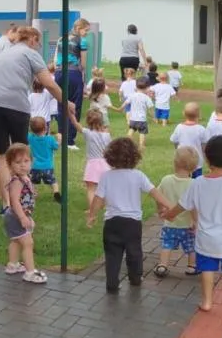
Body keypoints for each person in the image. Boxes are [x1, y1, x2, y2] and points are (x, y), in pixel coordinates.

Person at [163, 136, 222, 312]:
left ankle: (207, 301)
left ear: (206, 158)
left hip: (205, 238)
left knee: (207, 269)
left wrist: (169, 215)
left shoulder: (198, 183)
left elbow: (182, 205)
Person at [0, 26, 73, 213]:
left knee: (1, 155)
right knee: (20, 154)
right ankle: (21, 199)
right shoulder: (30, 54)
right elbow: (48, 83)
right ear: (32, 38)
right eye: (38, 42)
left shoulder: (5, 52)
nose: (38, 46)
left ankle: (6, 204)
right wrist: (66, 102)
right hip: (15, 105)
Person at [87, 138, 171, 293]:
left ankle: (112, 283)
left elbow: (98, 199)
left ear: (109, 157)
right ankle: (135, 278)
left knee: (112, 254)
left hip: (112, 222)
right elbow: (154, 192)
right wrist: (169, 205)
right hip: (132, 223)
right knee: (134, 252)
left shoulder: (106, 176)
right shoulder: (138, 175)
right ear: (135, 157)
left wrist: (92, 215)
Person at [2, 143, 47, 284]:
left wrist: (32, 193)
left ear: (31, 162)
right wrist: (22, 217)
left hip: (17, 215)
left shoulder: (25, 178)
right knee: (28, 243)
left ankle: (13, 264)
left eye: (26, 161)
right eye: (18, 162)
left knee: (16, 240)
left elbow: (25, 195)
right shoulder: (17, 181)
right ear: (10, 165)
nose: (23, 165)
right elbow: (14, 201)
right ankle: (30, 272)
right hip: (16, 216)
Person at [153, 146, 200, 278]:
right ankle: (192, 266)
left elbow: (157, 195)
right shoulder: (194, 184)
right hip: (188, 224)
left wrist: (160, 209)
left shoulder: (166, 180)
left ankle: (163, 265)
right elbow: (194, 206)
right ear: (195, 167)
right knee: (191, 246)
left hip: (170, 223)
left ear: (174, 163)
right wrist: (196, 221)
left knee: (166, 244)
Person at [53, 18, 91, 150]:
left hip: (58, 73)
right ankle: (70, 140)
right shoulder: (82, 41)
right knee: (75, 105)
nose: (86, 33)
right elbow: (84, 63)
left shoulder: (60, 39)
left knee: (61, 104)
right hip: (73, 73)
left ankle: (61, 137)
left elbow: (55, 58)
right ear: (79, 28)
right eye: (86, 30)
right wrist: (83, 75)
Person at [64, 108, 112, 207]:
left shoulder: (88, 133)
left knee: (91, 189)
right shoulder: (107, 135)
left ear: (88, 121)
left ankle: (92, 210)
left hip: (93, 165)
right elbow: (110, 149)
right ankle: (104, 205)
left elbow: (75, 123)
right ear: (102, 121)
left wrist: (70, 113)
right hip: (106, 164)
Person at [170, 102, 209, 178]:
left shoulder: (179, 127)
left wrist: (177, 150)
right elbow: (204, 145)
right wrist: (205, 157)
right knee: (196, 181)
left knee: (183, 180)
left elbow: (174, 140)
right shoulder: (201, 129)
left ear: (183, 113)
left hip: (182, 160)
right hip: (197, 162)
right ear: (199, 115)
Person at [28, 116, 61, 202]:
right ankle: (56, 192)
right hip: (47, 167)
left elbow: (27, 134)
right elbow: (56, 147)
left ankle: (33, 193)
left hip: (35, 166)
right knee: (53, 181)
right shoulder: (50, 139)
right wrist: (59, 139)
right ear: (45, 128)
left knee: (32, 182)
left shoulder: (30, 138)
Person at [123, 78, 154, 151]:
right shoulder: (147, 98)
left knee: (131, 129)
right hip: (141, 120)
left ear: (136, 87)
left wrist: (120, 108)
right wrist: (153, 116)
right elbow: (151, 108)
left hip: (132, 119)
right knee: (142, 132)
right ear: (147, 88)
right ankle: (141, 145)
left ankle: (127, 142)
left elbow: (126, 103)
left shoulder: (132, 95)